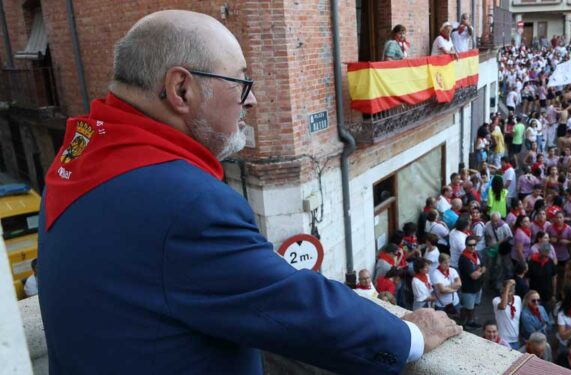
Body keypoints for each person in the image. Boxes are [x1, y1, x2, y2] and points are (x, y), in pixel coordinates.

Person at [36, 10, 461, 375]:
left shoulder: (79, 153)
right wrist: (410, 335)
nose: (253, 100)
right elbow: (296, 306)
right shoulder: (186, 204)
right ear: (182, 89)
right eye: (241, 83)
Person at [458, 236, 486, 328]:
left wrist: (479, 271)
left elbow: (484, 267)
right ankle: (463, 323)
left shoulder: (476, 254)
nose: (473, 247)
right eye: (470, 245)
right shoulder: (464, 259)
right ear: (466, 245)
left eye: (474, 244)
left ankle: (471, 321)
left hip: (478, 286)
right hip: (468, 288)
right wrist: (481, 270)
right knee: (467, 307)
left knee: (473, 306)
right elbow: (474, 276)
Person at [493, 279, 522, 350]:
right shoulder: (496, 300)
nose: (507, 293)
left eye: (510, 291)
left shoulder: (518, 299)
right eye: (505, 291)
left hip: (516, 339)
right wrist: (507, 287)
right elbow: (503, 306)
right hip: (503, 339)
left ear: (514, 292)